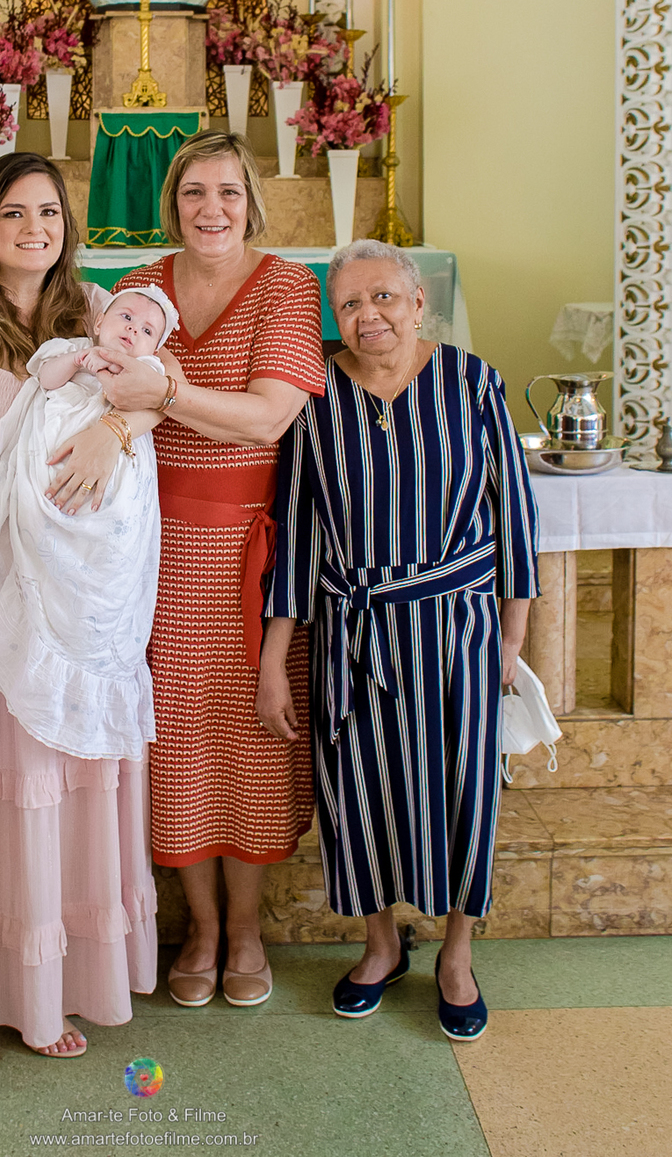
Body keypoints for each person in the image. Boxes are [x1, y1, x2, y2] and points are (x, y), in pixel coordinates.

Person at [0, 153, 161, 1058]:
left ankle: (78, 978)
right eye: (14, 212)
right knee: (9, 773)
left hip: (90, 584)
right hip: (3, 574)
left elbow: (148, 400)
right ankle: (9, 988)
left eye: (49, 211)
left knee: (76, 764)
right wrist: (44, 493)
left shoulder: (96, 309)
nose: (34, 227)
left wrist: (115, 429)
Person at [263, 240, 539, 1042]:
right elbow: (300, 534)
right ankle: (381, 942)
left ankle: (456, 953)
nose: (366, 316)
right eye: (348, 304)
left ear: (419, 304)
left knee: (464, 794)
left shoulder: (473, 380)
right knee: (356, 794)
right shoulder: (315, 398)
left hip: (457, 629)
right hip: (351, 633)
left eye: (383, 298)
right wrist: (277, 658)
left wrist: (512, 635)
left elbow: (516, 516)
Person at [97, 130, 326, 1010]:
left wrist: (166, 393)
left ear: (251, 201)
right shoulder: (144, 290)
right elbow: (104, 389)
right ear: (172, 202)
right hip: (151, 544)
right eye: (194, 192)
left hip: (252, 552)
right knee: (174, 739)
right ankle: (196, 926)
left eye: (227, 192)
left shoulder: (287, 286)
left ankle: (247, 929)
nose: (211, 209)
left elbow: (269, 419)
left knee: (254, 737)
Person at [0, 285, 178, 763]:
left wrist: (122, 383)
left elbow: (159, 400)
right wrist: (82, 360)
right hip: (55, 460)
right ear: (100, 319)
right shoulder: (70, 349)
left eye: (148, 331)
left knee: (114, 529)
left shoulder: (147, 371)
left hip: (112, 477)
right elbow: (44, 379)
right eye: (125, 319)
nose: (132, 332)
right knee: (39, 520)